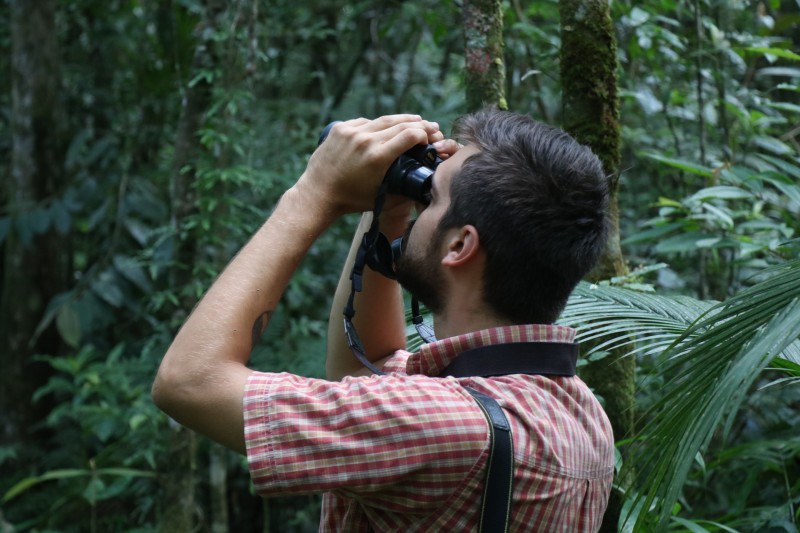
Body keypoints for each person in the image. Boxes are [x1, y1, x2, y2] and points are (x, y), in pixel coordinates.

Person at [153, 110, 615, 532]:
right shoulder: (582, 412)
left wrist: (315, 193)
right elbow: (368, 366)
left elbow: (190, 382)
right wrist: (390, 208)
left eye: (430, 198)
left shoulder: (439, 425)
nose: (421, 205)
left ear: (459, 247)